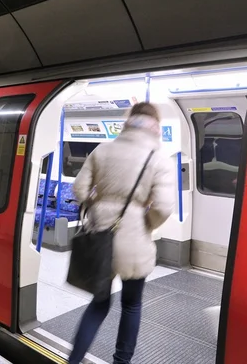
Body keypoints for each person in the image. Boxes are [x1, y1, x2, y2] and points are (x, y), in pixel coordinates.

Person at [68, 103, 174, 364]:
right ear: (155, 126)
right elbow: (163, 206)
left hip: (100, 236)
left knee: (98, 304)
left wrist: (97, 207)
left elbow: (79, 190)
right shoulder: (158, 159)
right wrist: (146, 222)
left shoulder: (102, 150)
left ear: (128, 122)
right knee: (131, 305)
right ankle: (121, 361)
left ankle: (73, 360)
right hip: (135, 242)